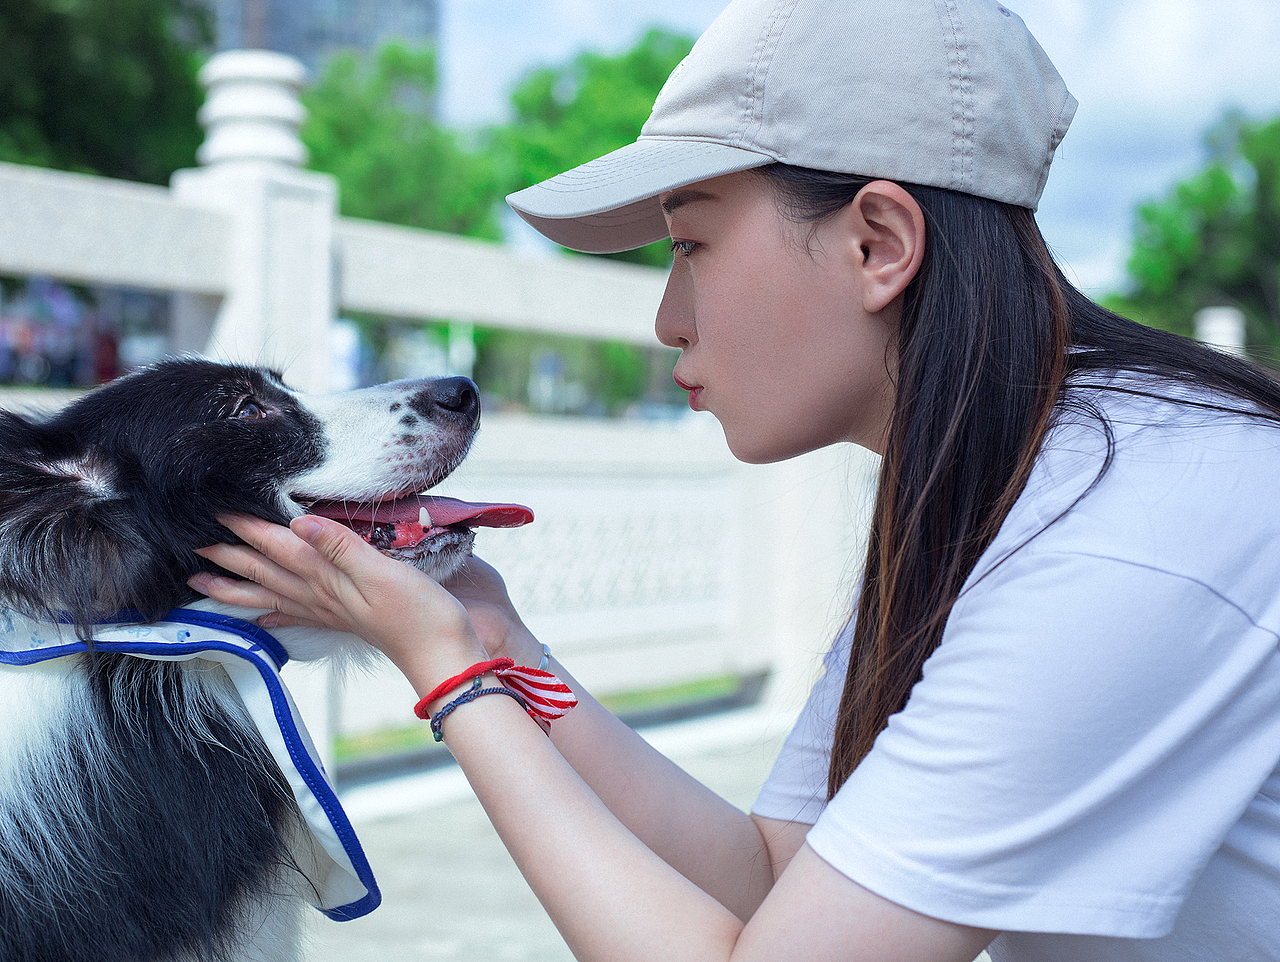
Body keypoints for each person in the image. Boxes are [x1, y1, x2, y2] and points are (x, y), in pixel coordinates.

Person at [186, 0, 1280, 959]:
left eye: (690, 245)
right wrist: (495, 642)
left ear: (877, 243)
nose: (665, 319)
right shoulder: (1002, 484)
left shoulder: (1120, 531)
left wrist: (446, 677)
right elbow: (768, 880)